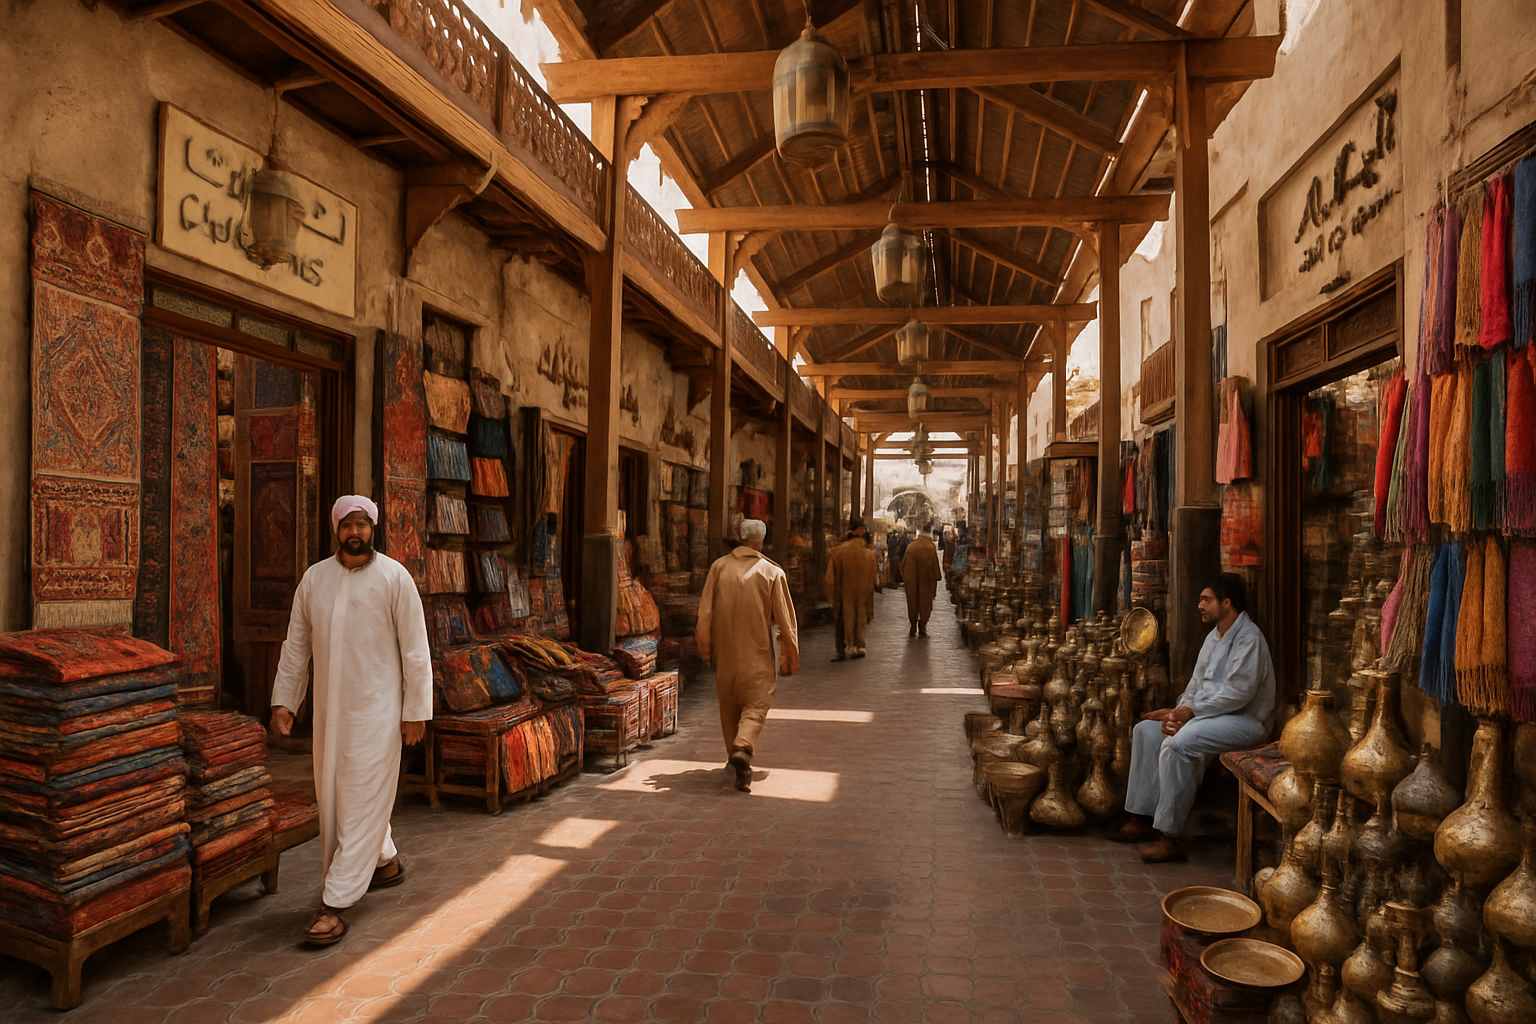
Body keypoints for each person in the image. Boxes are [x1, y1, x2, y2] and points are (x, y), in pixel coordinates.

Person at [270, 496, 433, 946]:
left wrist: (416, 711)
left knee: (360, 798)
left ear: (373, 528)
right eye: (347, 525)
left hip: (379, 714)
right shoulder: (314, 579)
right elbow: (295, 645)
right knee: (339, 797)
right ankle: (384, 862)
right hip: (330, 715)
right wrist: (285, 701)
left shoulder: (395, 578)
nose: (355, 532)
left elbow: (415, 651)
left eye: (363, 524)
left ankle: (335, 902)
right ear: (335, 528)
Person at [1121, 573, 1275, 862]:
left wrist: (1188, 714)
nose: (1200, 605)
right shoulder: (1214, 636)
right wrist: (1178, 712)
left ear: (1226, 603)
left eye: (1207, 600)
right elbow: (1196, 686)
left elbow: (1238, 694)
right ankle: (1141, 818)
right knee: (1146, 731)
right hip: (1207, 717)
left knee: (1178, 744)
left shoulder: (1249, 638)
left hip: (1245, 722)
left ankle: (1169, 836)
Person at [695, 519, 800, 793]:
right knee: (755, 707)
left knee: (729, 709)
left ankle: (739, 766)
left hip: (725, 658)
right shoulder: (771, 572)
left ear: (740, 538)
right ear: (762, 541)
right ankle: (743, 748)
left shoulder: (718, 567)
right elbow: (786, 621)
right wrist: (791, 652)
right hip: (758, 658)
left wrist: (704, 646)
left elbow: (704, 613)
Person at [824, 516, 878, 661]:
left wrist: (832, 596)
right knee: (860, 616)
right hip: (863, 596)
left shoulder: (837, 552)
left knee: (841, 620)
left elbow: (829, 579)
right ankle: (860, 645)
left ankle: (842, 649)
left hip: (842, 596)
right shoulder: (869, 555)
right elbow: (874, 578)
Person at [900, 528, 942, 638]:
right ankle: (922, 625)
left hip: (911, 578)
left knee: (912, 600)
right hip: (927, 579)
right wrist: (937, 576)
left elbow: (904, 564)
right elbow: (935, 564)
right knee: (926, 601)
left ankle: (913, 624)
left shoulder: (911, 546)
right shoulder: (930, 547)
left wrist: (904, 576)